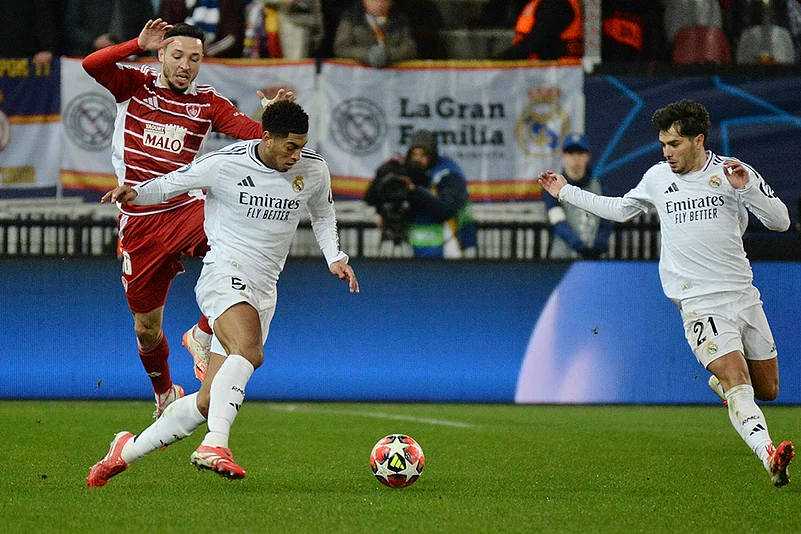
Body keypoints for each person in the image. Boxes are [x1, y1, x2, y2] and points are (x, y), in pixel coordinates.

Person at [88, 100, 358, 486]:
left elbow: (323, 213)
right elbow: (171, 183)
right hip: (223, 273)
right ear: (267, 139)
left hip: (265, 287)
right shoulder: (225, 163)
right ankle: (216, 443)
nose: (297, 155)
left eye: (301, 146)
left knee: (205, 401)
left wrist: (334, 256)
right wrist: (134, 193)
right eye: (290, 147)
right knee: (249, 351)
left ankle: (124, 451)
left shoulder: (313, 170)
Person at [537, 98, 795, 487]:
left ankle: (720, 385)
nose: (666, 153)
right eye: (663, 145)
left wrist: (749, 191)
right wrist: (565, 192)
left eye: (674, 144)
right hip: (698, 302)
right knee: (737, 378)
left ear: (698, 140)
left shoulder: (731, 172)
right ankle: (769, 456)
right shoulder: (658, 178)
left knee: (769, 389)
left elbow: (781, 222)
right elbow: (621, 209)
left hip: (743, 294)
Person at [82, 18, 294, 418]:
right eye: (177, 55)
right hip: (140, 221)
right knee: (146, 329)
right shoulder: (134, 86)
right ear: (161, 54)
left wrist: (276, 122)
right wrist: (134, 43)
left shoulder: (207, 102)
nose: (185, 65)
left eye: (195, 58)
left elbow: (252, 134)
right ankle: (163, 392)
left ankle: (201, 333)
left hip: (185, 208)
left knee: (241, 250)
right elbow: (92, 65)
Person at [365, 130, 477, 258]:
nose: (418, 159)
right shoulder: (406, 171)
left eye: (424, 155)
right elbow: (372, 198)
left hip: (449, 247)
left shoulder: (449, 175)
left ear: (433, 155)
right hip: (414, 248)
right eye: (414, 154)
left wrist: (414, 190)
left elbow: (445, 209)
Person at [545, 133, 612, 260]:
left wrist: (598, 247)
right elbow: (558, 222)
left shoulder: (599, 186)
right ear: (563, 156)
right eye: (571, 153)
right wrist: (580, 247)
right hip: (561, 260)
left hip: (595, 258)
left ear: (587, 156)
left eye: (580, 153)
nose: (576, 158)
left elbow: (607, 220)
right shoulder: (553, 186)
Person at [333, 0, 417, 68]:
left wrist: (388, 54)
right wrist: (367, 54)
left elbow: (410, 48)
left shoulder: (400, 20)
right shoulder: (351, 18)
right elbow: (341, 48)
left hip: (393, 77)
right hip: (360, 76)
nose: (379, 4)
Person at [496, 0, 583, 60]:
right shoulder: (540, 3)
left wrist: (498, 62)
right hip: (540, 71)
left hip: (555, 74)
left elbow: (536, 42)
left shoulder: (556, 4)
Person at [65, 0, 155, 56]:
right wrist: (93, 42)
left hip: (131, 59)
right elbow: (70, 25)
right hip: (85, 57)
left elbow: (148, 25)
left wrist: (135, 46)